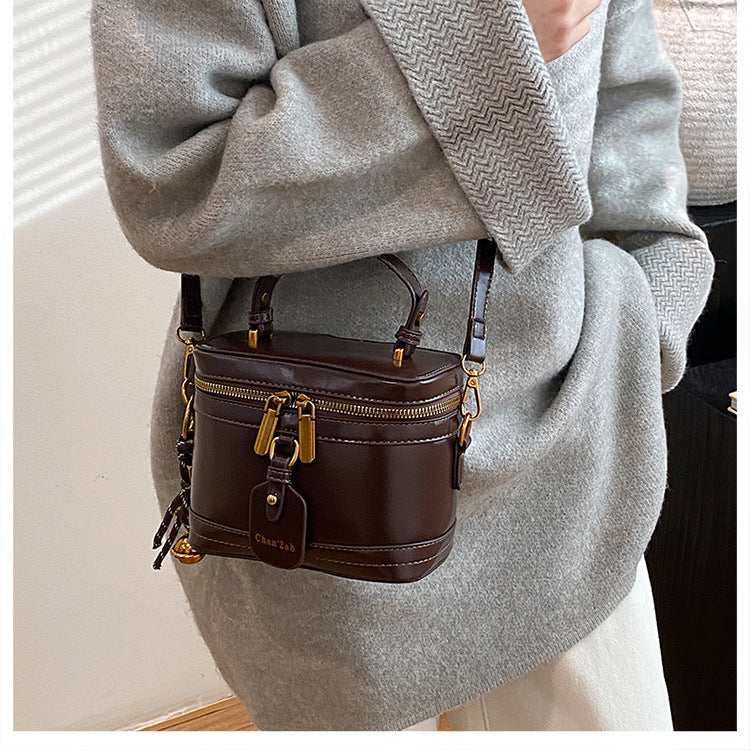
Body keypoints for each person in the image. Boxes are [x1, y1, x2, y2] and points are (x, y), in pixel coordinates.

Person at [90, 0, 715, 731]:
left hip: (569, 456)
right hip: (320, 475)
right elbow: (174, 184)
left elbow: (632, 129)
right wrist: (488, 52)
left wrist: (646, 330)